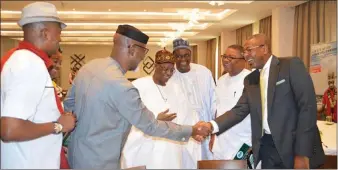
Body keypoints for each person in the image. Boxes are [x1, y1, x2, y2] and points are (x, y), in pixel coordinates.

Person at [63, 25, 210, 169]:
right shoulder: (122, 87)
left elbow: (69, 105)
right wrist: (192, 130)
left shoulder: (89, 67)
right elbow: (151, 126)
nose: (143, 57)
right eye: (143, 51)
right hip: (101, 162)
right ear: (132, 49)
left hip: (75, 156)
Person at [202, 33, 325, 169]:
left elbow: (307, 108)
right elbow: (239, 110)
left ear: (264, 48)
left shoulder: (290, 66)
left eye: (249, 50)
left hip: (293, 147)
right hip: (267, 149)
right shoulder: (251, 79)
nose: (246, 55)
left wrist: (302, 154)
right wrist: (211, 126)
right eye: (244, 52)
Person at [0, 2, 76, 169]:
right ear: (45, 33)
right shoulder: (29, 63)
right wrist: (59, 126)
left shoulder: (21, 59)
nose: (60, 39)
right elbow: (10, 129)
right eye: (59, 32)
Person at [122, 48, 185, 169]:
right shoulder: (138, 86)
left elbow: (183, 116)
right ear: (156, 66)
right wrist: (155, 119)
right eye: (165, 69)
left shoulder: (176, 89)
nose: (168, 73)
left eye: (172, 70)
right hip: (145, 146)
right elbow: (129, 117)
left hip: (170, 148)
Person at [169, 38, 217, 168]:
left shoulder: (204, 72)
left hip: (205, 125)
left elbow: (213, 100)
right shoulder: (169, 74)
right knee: (184, 163)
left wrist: (214, 127)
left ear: (191, 55)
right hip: (183, 129)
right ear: (174, 57)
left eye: (186, 55)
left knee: (205, 161)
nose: (182, 59)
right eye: (178, 56)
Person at [210, 45, 252, 162]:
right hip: (221, 141)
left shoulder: (251, 79)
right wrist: (213, 134)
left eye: (231, 57)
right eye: (224, 56)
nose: (225, 60)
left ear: (243, 60)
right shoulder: (221, 80)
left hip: (243, 141)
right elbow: (217, 109)